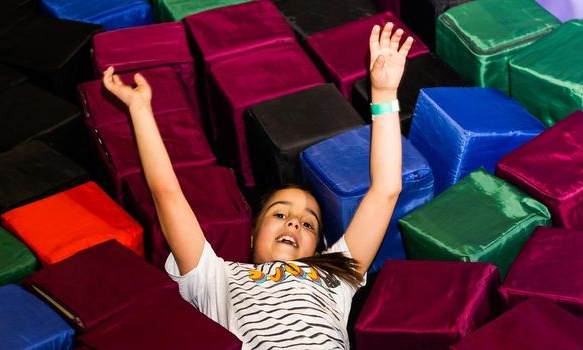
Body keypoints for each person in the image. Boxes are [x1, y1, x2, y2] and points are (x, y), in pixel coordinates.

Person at [101, 22, 410, 350]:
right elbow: (167, 195)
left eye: (308, 223)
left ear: (319, 250)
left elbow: (386, 189)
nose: (294, 222)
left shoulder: (334, 275)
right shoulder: (214, 277)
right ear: (251, 234)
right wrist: (140, 110)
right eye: (279, 214)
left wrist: (384, 95)